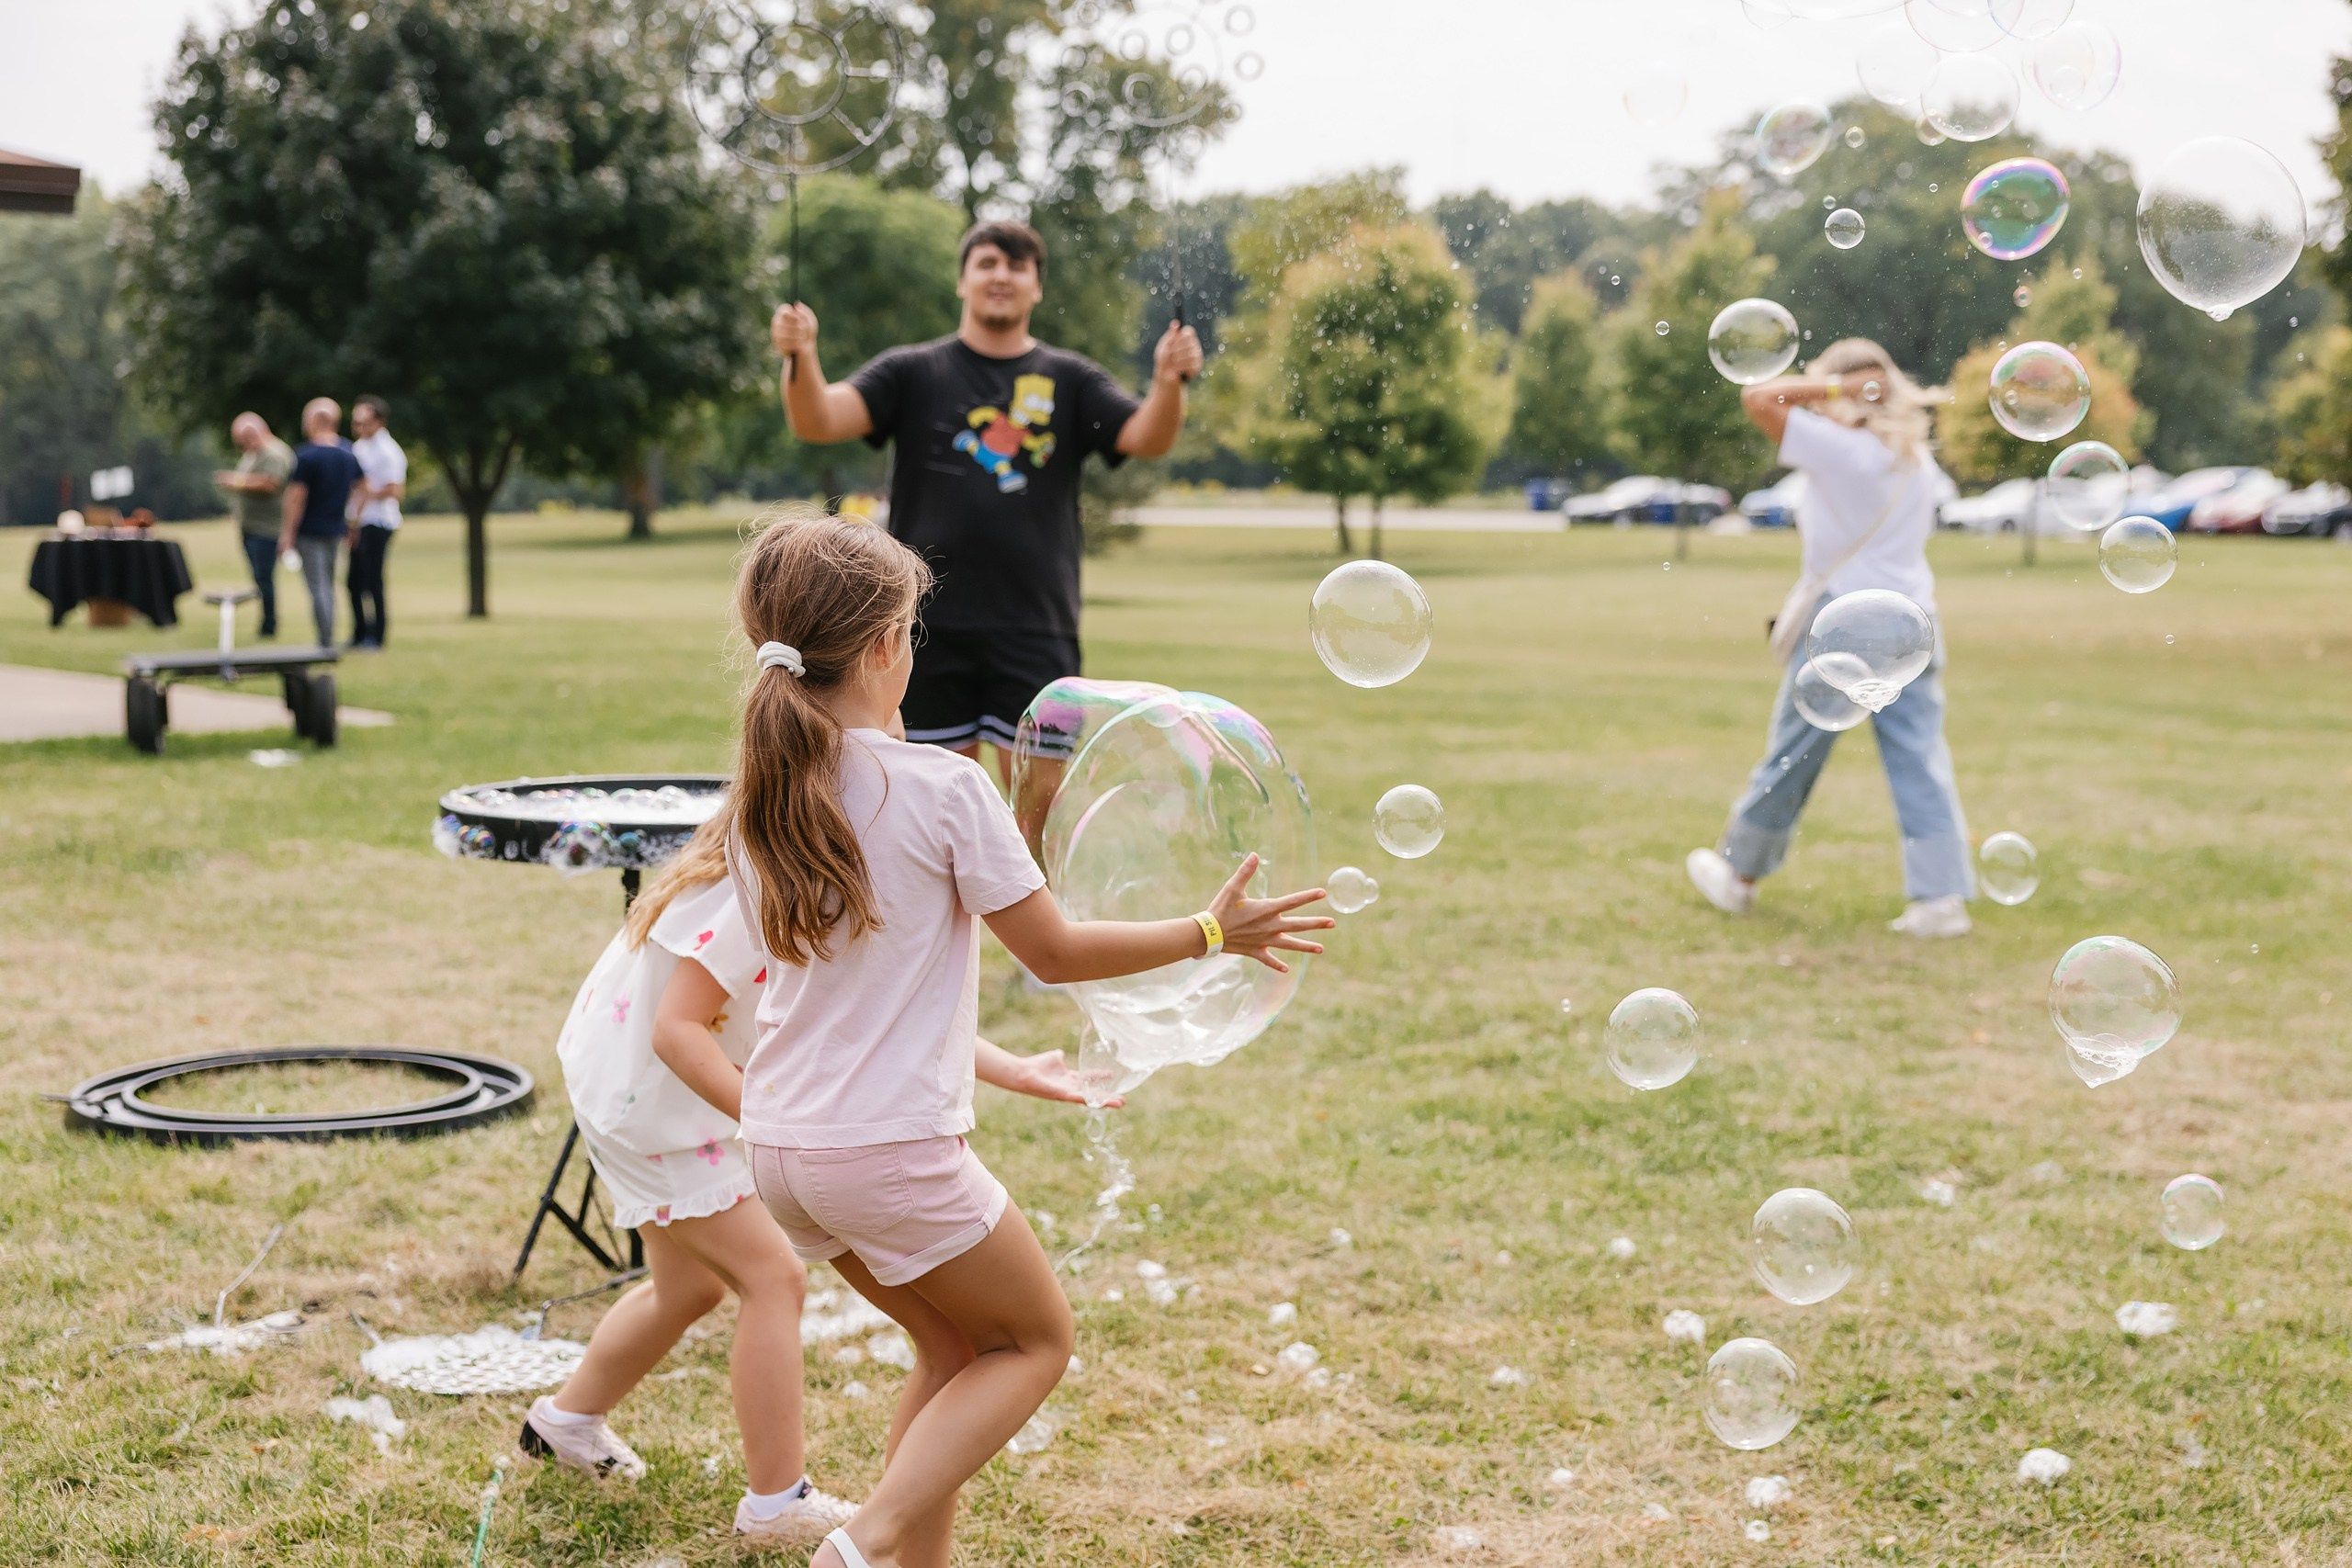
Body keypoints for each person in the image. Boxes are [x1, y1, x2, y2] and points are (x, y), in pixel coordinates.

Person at [673, 511, 1329, 1568]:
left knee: (952, 1348)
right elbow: (1053, 954)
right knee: (1035, 1342)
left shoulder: (764, 797)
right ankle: (859, 1547)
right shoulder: (942, 788)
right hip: (887, 1153)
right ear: (885, 648)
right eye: (911, 633)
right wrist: (1211, 931)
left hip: (785, 1150)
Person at [526, 807, 1114, 1542]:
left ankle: (565, 1420)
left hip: (628, 1085)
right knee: (774, 1277)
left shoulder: (779, 855)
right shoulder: (763, 880)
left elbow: (868, 1018)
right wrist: (772, 1119)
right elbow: (675, 1031)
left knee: (691, 1286)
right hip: (654, 1103)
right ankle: (776, 1502)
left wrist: (1015, 1069)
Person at [770, 220, 1204, 781]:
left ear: (1037, 286)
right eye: (987, 263)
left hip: (1037, 625)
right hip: (917, 627)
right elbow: (817, 419)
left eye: (1017, 266)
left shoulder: (1071, 379)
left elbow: (1149, 437)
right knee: (930, 802)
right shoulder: (911, 371)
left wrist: (1168, 381)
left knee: (1040, 812)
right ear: (963, 281)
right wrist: (800, 354)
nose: (1002, 275)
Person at [1685, 338, 1974, 938]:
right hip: (1915, 620)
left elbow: (1758, 397)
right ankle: (1941, 899)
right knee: (1920, 757)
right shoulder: (1915, 461)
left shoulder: (1842, 449)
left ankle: (1739, 876)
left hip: (1845, 620)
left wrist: (1837, 388)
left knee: (1793, 752)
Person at [277, 398, 362, 649]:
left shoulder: (307, 456)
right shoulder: (349, 453)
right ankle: (329, 636)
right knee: (330, 584)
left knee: (318, 586)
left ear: (315, 421)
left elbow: (296, 499)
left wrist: (287, 534)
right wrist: (353, 520)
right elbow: (362, 488)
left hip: (310, 531)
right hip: (336, 529)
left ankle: (325, 641)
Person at [211, 412, 294, 638]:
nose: (243, 445)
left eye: (244, 439)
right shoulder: (253, 454)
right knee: (258, 578)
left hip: (267, 527)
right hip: (251, 526)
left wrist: (236, 481)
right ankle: (266, 621)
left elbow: (272, 483)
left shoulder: (274, 453)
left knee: (264, 577)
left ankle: (269, 624)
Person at [345, 393, 406, 649]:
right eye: (356, 422)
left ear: (380, 422)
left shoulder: (388, 452)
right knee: (353, 582)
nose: (359, 427)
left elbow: (395, 491)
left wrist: (368, 492)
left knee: (372, 581)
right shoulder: (359, 448)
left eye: (364, 422)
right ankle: (359, 634)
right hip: (358, 522)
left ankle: (377, 636)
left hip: (378, 523)